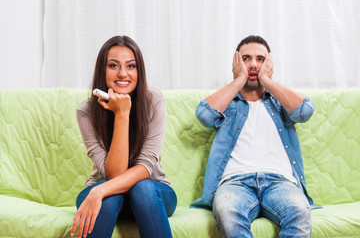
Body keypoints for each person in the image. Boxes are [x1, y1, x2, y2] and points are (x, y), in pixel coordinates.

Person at [191, 35, 315, 237]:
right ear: (236, 63)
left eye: (260, 59)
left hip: (280, 182)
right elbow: (204, 115)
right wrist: (239, 80)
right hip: (235, 183)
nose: (253, 65)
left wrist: (266, 80)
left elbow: (305, 111)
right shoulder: (228, 102)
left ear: (270, 63)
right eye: (246, 59)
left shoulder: (279, 101)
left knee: (300, 212)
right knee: (227, 212)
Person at [71, 36, 177, 238]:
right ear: (102, 70)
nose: (123, 73)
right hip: (106, 195)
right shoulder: (86, 111)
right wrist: (122, 114)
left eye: (131, 66)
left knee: (142, 188)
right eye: (113, 65)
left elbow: (146, 168)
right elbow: (114, 175)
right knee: (109, 195)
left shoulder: (153, 101)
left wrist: (99, 191)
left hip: (153, 194)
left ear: (139, 71)